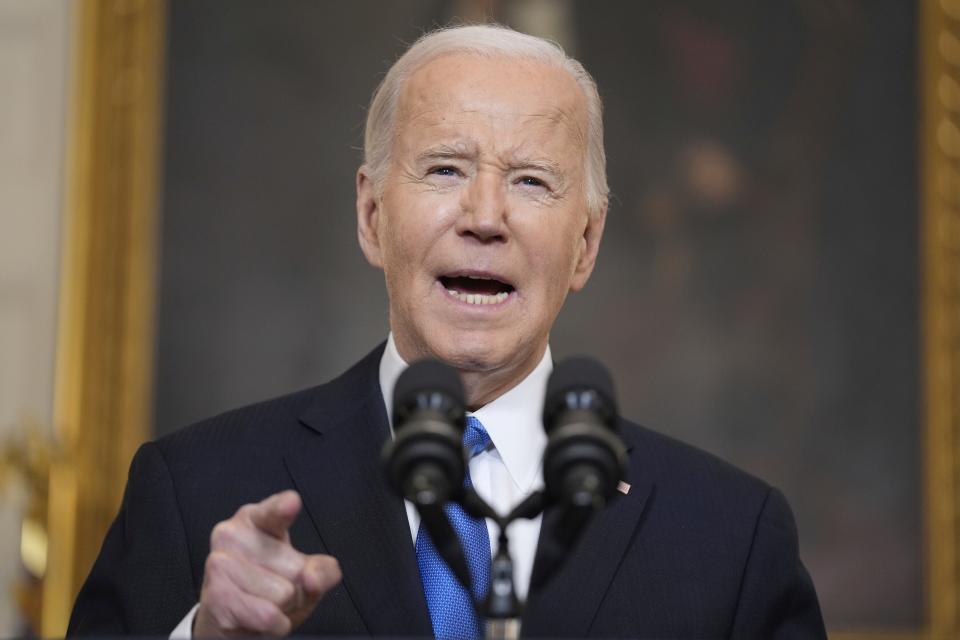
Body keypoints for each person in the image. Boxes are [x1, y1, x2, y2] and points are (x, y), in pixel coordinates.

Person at [68, 24, 826, 639]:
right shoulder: (193, 490)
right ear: (372, 217)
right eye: (444, 170)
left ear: (586, 245)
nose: (485, 217)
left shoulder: (731, 535)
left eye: (531, 180)